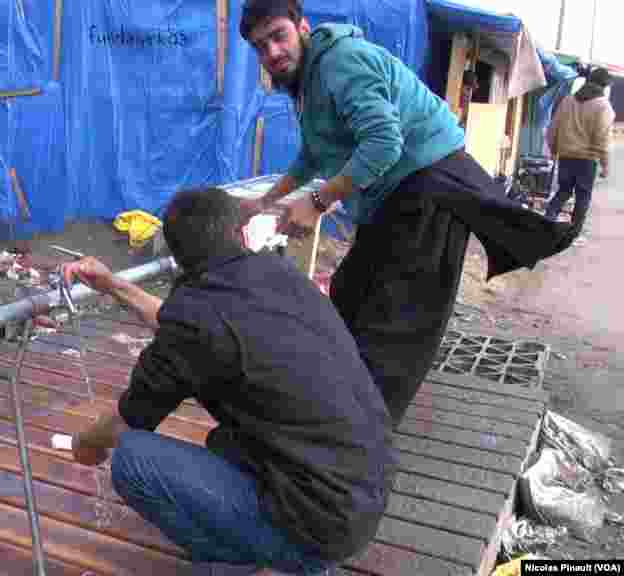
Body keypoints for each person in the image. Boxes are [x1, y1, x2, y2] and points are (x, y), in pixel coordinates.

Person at [236, 0, 577, 423]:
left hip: (428, 189)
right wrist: (265, 202)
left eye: (278, 36)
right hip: (393, 196)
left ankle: (360, 442)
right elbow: (313, 154)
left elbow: (383, 144)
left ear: (302, 27)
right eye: (259, 46)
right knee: (350, 299)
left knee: (394, 329)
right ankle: (333, 409)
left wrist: (319, 201)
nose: (271, 53)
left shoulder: (342, 62)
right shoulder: (307, 82)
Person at [62, 186, 396, 575]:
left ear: (177, 255)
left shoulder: (197, 316)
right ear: (239, 235)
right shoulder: (277, 273)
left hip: (320, 526)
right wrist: (113, 284)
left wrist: (81, 447)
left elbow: (119, 428)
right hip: (365, 487)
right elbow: (184, 324)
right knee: (220, 442)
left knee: (133, 459)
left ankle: (246, 563)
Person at [544, 66, 616, 233]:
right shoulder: (603, 106)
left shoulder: (568, 100)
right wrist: (605, 165)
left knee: (563, 191)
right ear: (605, 86)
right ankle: (573, 232)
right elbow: (603, 138)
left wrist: (554, 150)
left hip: (566, 156)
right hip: (587, 159)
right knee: (583, 197)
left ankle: (547, 222)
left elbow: (553, 128)